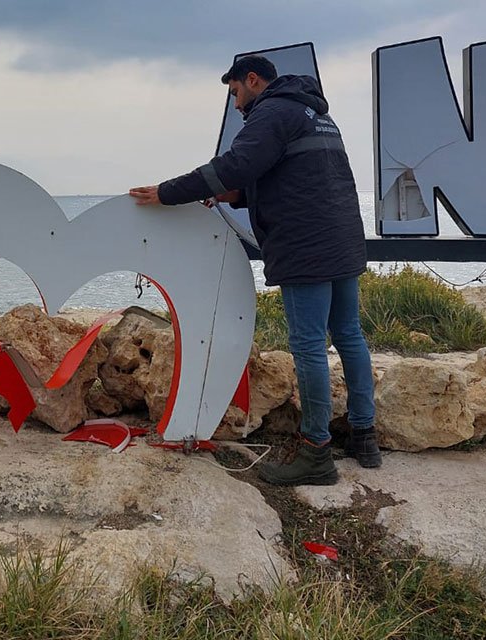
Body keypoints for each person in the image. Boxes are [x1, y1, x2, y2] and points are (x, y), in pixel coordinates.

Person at [128, 55, 380, 486]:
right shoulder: (315, 114)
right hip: (342, 237)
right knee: (350, 336)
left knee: (308, 347)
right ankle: (365, 437)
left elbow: (236, 164)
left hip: (307, 246)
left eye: (235, 93)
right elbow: (293, 177)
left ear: (251, 80)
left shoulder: (273, 111)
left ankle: (317, 452)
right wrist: (235, 197)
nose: (237, 104)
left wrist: (167, 193)